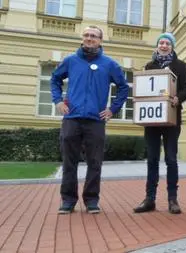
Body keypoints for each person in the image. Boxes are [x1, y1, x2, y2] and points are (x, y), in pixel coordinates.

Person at [51, 25, 129, 214]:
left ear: (100, 40)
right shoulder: (71, 61)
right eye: (86, 35)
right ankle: (68, 201)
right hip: (72, 118)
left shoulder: (109, 64)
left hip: (95, 120)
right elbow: (55, 79)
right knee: (69, 162)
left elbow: (124, 87)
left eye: (93, 36)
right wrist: (58, 101)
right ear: (82, 38)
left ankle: (91, 200)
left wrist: (113, 109)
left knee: (95, 162)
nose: (89, 38)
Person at [133, 33, 186, 214]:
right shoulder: (150, 66)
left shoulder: (181, 66)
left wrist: (177, 98)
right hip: (152, 120)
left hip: (172, 119)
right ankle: (149, 198)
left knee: (171, 159)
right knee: (152, 159)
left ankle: (172, 199)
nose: (164, 45)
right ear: (157, 46)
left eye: (167, 43)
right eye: (161, 43)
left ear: (172, 46)